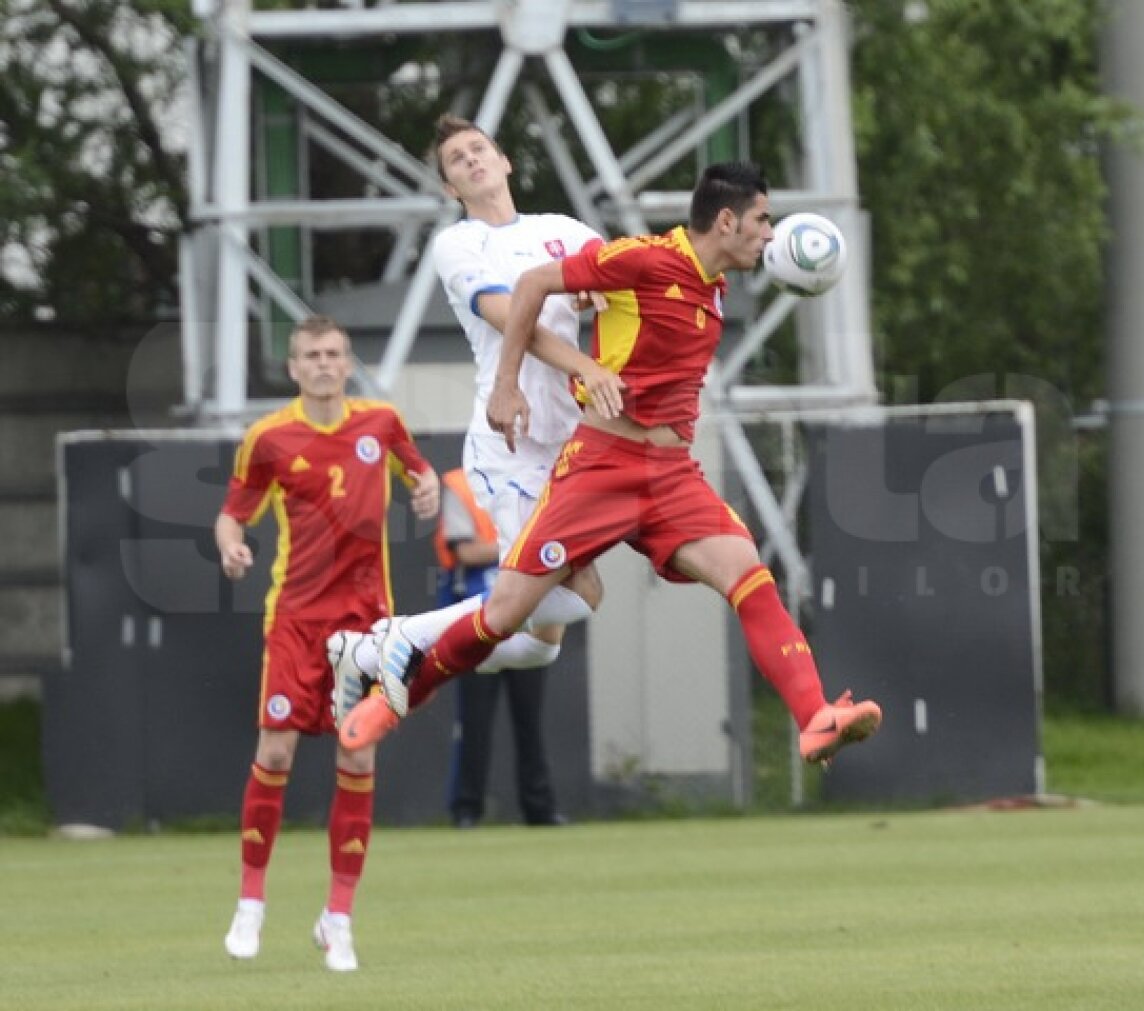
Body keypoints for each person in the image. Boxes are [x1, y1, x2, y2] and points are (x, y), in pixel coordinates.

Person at [340, 162, 883, 768]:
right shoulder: (646, 259)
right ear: (727, 221)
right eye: (762, 219)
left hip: (672, 476)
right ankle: (395, 700)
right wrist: (508, 384)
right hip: (603, 467)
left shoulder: (713, 284)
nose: (770, 233)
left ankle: (814, 718)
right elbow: (533, 284)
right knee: (506, 614)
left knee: (750, 577)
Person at [327, 114, 613, 729]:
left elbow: (619, 284)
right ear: (451, 188)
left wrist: (600, 291)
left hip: (570, 444)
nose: (472, 160)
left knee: (541, 642)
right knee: (566, 596)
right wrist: (585, 365)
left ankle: (378, 651)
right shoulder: (458, 244)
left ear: (505, 161)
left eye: (480, 149)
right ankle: (395, 641)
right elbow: (511, 315)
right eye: (458, 160)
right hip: (511, 443)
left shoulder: (565, 230)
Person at [215, 314, 439, 972]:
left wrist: (426, 486)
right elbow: (232, 513)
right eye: (310, 354)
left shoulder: (381, 423)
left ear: (347, 363)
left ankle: (338, 918)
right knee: (274, 749)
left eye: (333, 353)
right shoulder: (268, 438)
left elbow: (421, 473)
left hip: (367, 624)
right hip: (296, 618)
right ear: (293, 367)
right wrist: (231, 544)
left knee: (358, 754)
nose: (322, 363)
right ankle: (250, 901)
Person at [435, 468, 565, 828]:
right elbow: (466, 550)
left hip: (529, 618)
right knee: (474, 721)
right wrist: (517, 548)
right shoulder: (460, 483)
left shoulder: (538, 475)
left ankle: (539, 808)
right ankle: (467, 808)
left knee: (530, 721)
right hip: (479, 618)